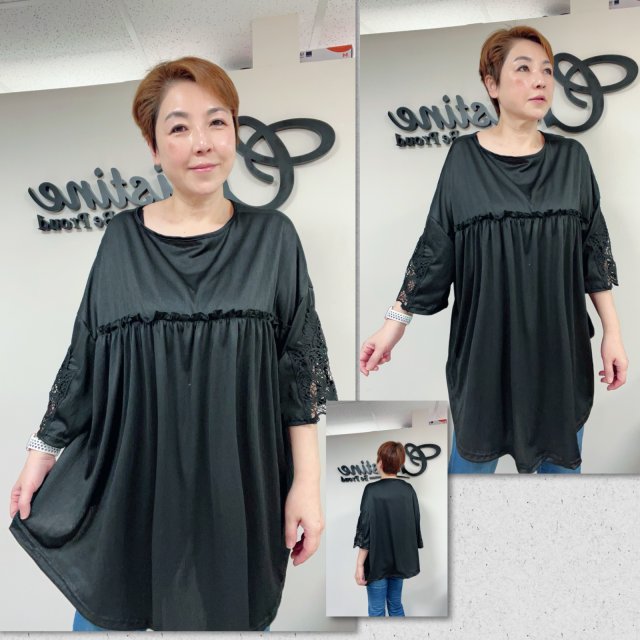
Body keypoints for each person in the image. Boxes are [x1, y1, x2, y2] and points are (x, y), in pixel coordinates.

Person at [9, 56, 337, 631]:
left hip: (236, 487)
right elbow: (85, 358)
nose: (202, 143)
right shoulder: (121, 240)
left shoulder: (274, 239)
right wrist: (41, 453)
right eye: (179, 127)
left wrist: (307, 484)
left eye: (217, 122)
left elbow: (299, 373)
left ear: (235, 131)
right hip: (131, 485)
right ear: (154, 147)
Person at [359, 26, 628, 474]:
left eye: (547, 70)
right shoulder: (463, 159)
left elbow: (594, 253)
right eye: (523, 68)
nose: (540, 80)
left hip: (558, 353)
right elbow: (434, 249)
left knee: (561, 482)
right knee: (468, 477)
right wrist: (393, 324)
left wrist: (612, 334)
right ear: (492, 84)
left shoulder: (572, 160)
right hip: (485, 354)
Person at [353, 442, 423, 617]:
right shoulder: (408, 490)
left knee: (376, 610)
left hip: (376, 562)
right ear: (399, 464)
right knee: (396, 606)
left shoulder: (371, 490)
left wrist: (359, 564)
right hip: (399, 561)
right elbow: (414, 523)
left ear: (380, 462)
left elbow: (365, 528)